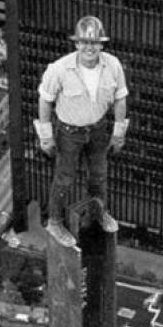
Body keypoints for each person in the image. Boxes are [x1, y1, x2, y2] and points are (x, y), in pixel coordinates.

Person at [34, 15, 129, 247]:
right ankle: (55, 222)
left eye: (95, 42)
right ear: (76, 44)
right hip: (69, 133)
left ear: (101, 44)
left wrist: (118, 133)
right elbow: (45, 101)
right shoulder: (60, 69)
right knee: (64, 179)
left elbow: (120, 99)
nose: (90, 47)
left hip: (98, 129)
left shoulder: (112, 65)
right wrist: (45, 137)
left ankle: (98, 212)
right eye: (85, 42)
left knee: (99, 175)